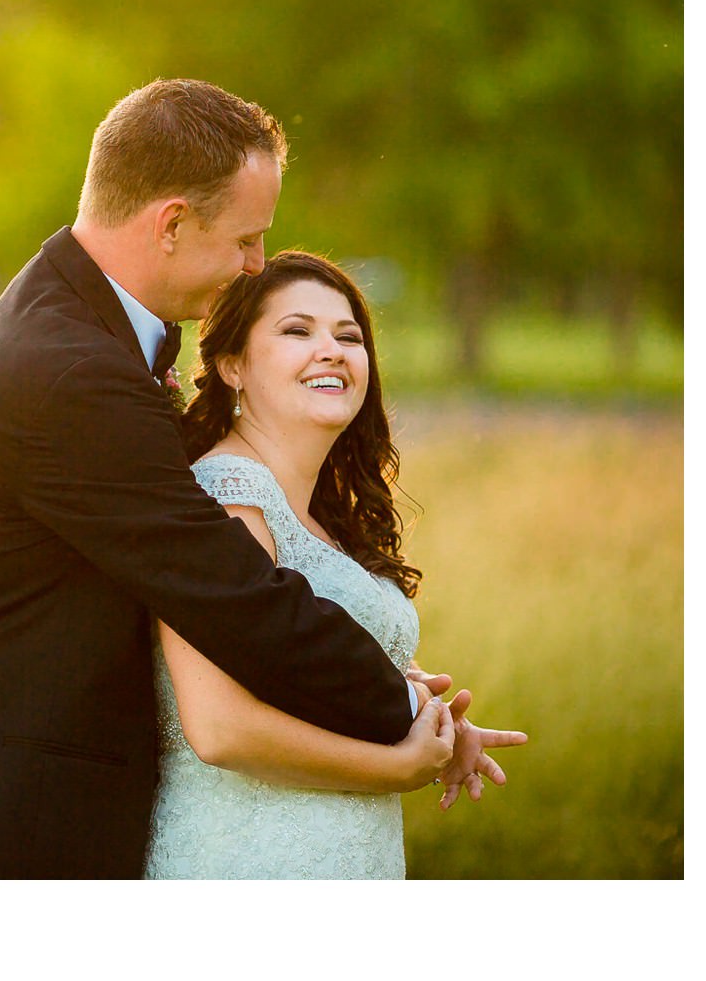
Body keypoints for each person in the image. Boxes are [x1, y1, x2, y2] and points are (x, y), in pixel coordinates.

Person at [0, 78, 450, 879]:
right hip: (4, 832)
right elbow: (230, 593)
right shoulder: (70, 369)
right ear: (172, 222)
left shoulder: (79, 324)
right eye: (247, 239)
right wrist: (406, 711)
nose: (254, 264)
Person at [146, 251, 527, 878]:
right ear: (232, 365)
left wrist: (430, 718)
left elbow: (321, 660)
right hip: (249, 860)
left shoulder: (319, 512)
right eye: (298, 331)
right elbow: (219, 728)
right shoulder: (226, 497)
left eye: (348, 336)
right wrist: (398, 766)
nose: (332, 350)